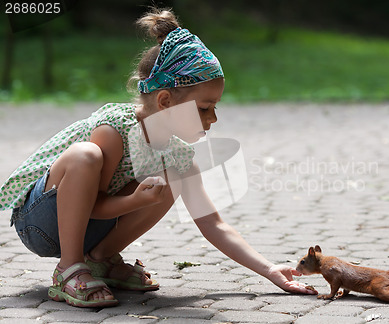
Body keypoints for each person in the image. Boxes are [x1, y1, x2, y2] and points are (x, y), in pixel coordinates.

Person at [0, 8, 317, 308]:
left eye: (215, 108)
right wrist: (135, 202)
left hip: (90, 227)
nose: (213, 119)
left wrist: (269, 270)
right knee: (86, 155)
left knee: (174, 175)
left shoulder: (176, 154)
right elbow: (91, 203)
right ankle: (68, 269)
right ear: (165, 101)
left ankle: (99, 261)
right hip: (42, 222)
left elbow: (212, 223)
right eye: (205, 108)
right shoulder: (115, 130)